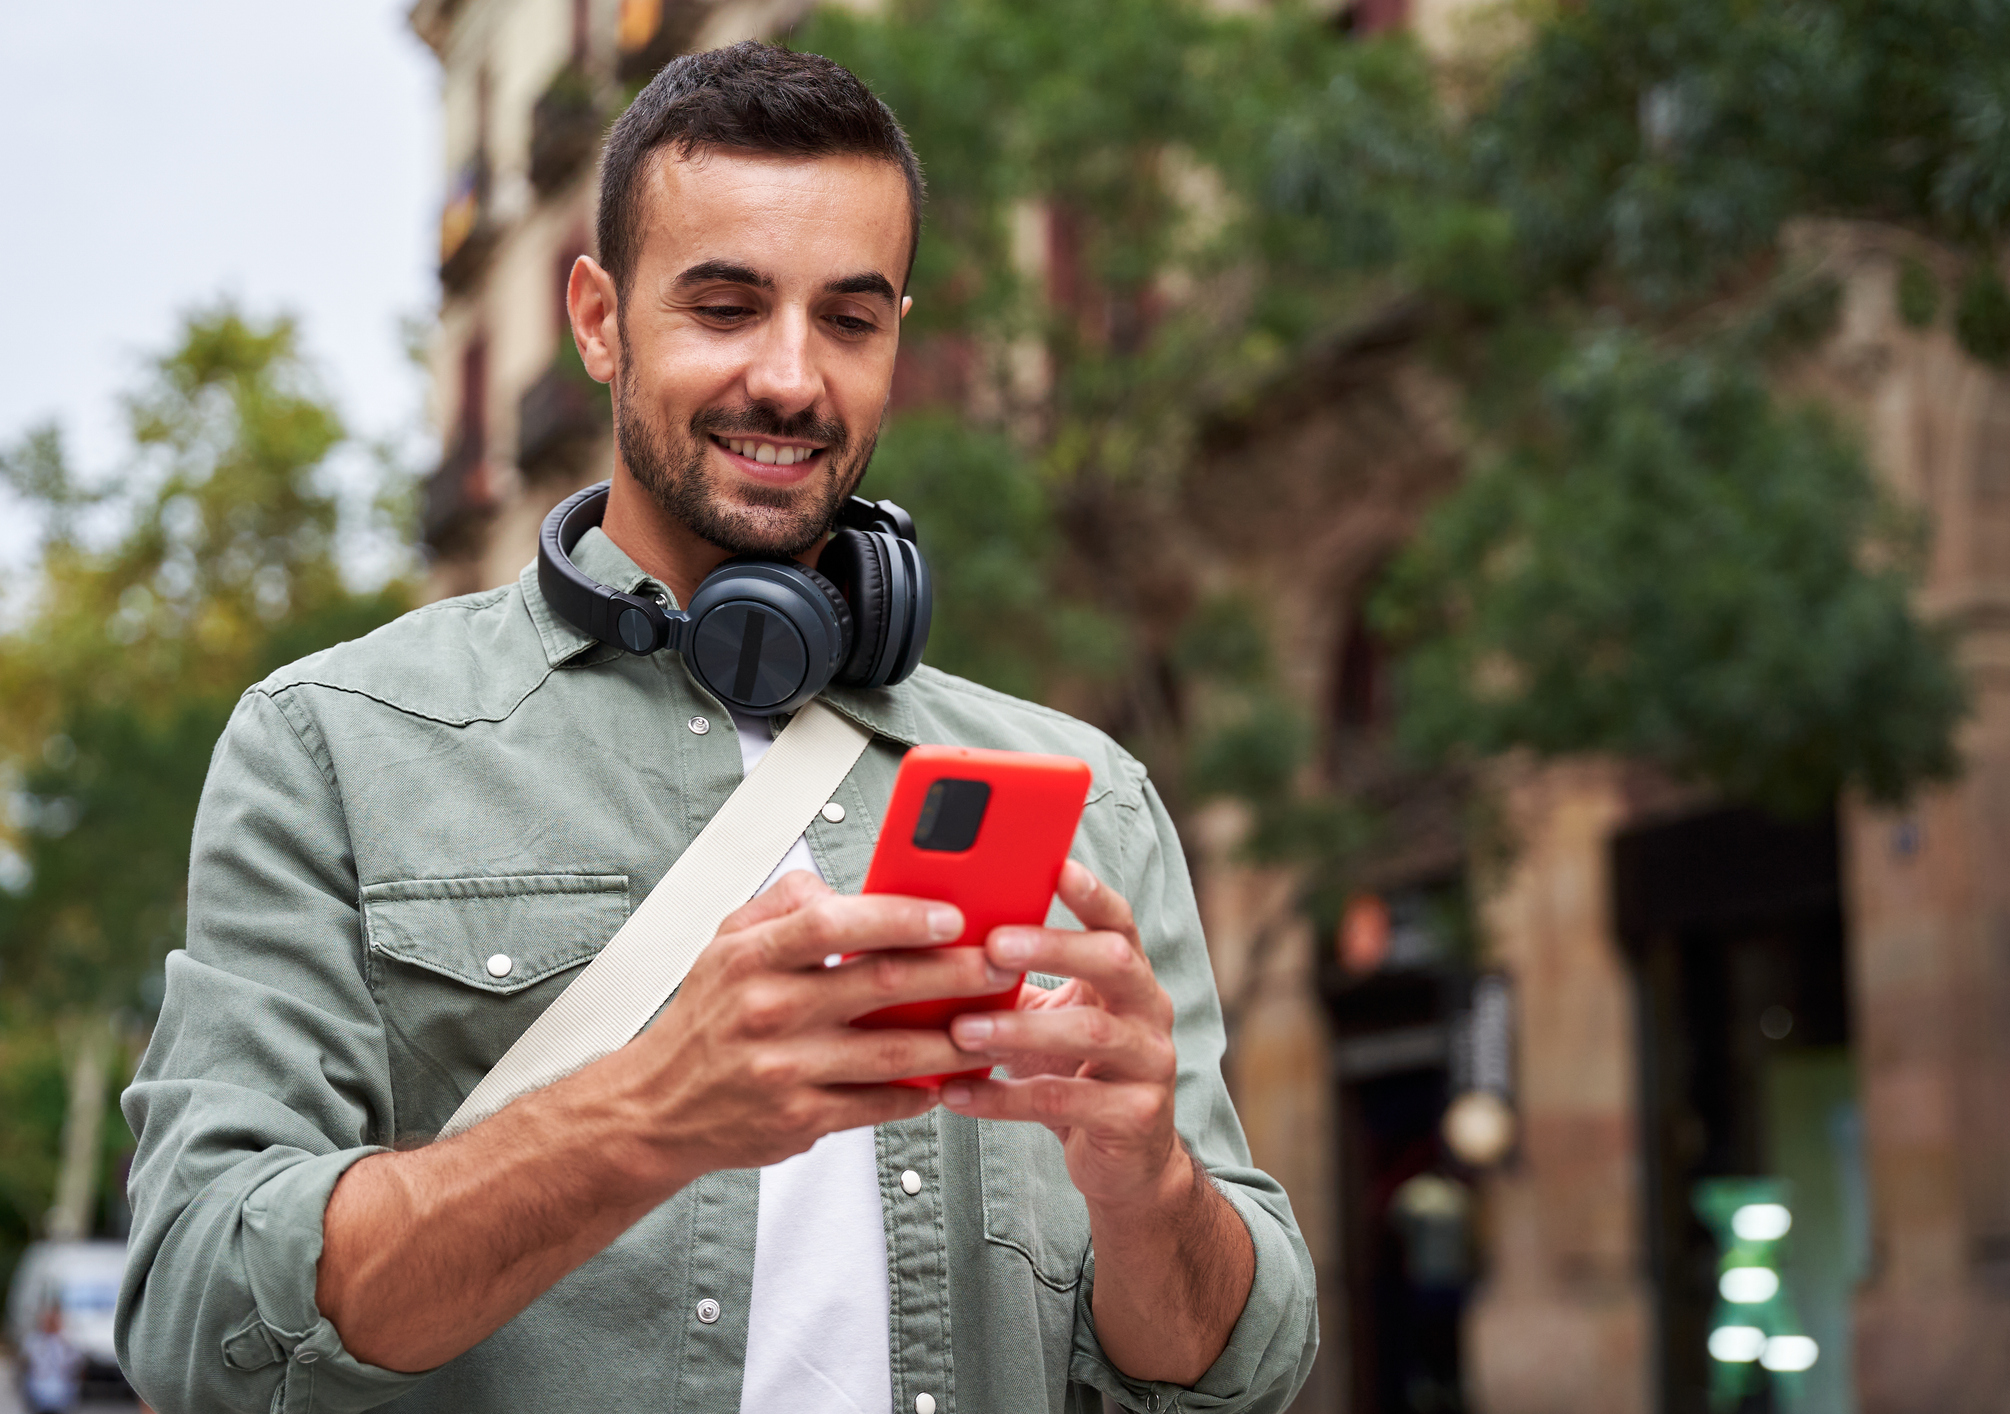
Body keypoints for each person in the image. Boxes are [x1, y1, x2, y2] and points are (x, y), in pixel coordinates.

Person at [117, 41, 1315, 1414]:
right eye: (728, 306)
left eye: (849, 321)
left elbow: (1246, 1369)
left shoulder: (1080, 790)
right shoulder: (330, 744)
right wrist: (650, 1110)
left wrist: (1146, 1177)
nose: (794, 378)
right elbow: (198, 1315)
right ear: (597, 317)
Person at [22, 1303, 83, 1414]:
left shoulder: (66, 1341)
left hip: (62, 1387)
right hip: (39, 1387)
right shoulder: (34, 1341)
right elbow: (28, 1363)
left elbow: (76, 1362)